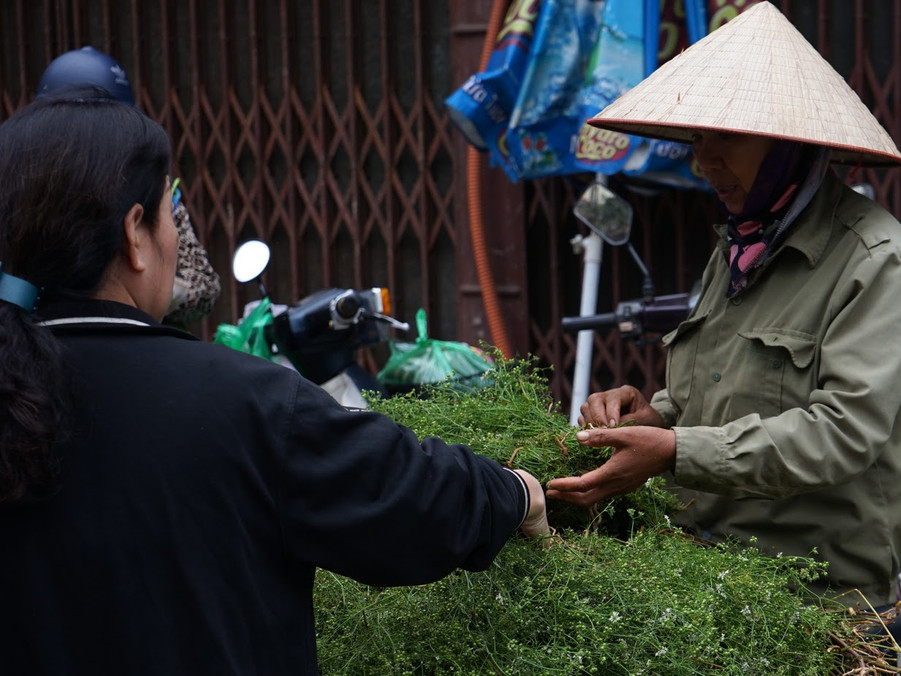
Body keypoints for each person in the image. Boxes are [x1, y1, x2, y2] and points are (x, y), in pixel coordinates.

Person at [0, 90, 548, 674]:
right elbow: (411, 501)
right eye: (169, 212)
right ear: (134, 234)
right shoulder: (241, 404)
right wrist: (516, 491)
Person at [546, 2, 901, 609]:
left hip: (816, 599)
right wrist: (651, 418)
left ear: (786, 144)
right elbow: (710, 396)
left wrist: (675, 451)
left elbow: (844, 434)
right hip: (707, 574)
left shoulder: (876, 260)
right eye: (698, 138)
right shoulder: (742, 244)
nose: (705, 161)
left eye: (726, 136)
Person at [37, 45, 221, 325]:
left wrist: (154, 292)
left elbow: (205, 288)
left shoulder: (151, 189)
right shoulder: (26, 190)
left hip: (145, 345)